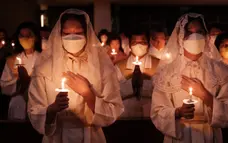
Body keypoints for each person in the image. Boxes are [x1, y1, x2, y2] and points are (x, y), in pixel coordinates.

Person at [27, 9, 124, 143]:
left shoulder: (102, 66)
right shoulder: (44, 67)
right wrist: (51, 109)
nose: (72, 37)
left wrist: (88, 94)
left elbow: (114, 109)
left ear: (87, 34)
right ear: (59, 35)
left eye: (78, 33)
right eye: (67, 33)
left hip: (91, 135)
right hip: (56, 136)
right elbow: (34, 110)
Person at [151, 13, 228, 143]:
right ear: (180, 37)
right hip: (179, 136)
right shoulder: (167, 73)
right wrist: (177, 112)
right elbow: (156, 113)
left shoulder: (220, 71)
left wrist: (205, 95)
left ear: (206, 36)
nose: (195, 36)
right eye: (189, 33)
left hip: (209, 135)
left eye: (199, 32)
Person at [1, 22, 42, 120]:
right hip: (18, 103)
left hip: (37, 103)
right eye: (22, 36)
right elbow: (3, 85)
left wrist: (30, 81)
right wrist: (20, 83)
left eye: (28, 35)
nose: (25, 39)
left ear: (35, 37)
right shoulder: (12, 60)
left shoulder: (43, 59)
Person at [115, 30, 159, 118]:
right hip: (126, 114)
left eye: (143, 42)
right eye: (134, 42)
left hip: (152, 114)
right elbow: (113, 92)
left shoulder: (158, 64)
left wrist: (143, 84)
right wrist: (131, 85)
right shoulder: (119, 66)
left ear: (148, 44)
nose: (139, 45)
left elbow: (163, 91)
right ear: (130, 45)